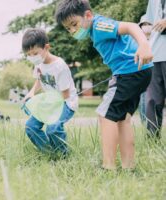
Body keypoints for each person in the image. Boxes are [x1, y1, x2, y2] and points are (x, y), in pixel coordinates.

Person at [55, 0, 153, 170]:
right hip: (139, 72)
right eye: (68, 28)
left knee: (106, 116)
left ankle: (108, 167)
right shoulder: (95, 29)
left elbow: (130, 26)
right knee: (123, 120)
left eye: (74, 24)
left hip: (129, 72)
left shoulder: (99, 25)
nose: (72, 31)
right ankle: (128, 166)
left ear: (88, 15)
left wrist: (144, 44)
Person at [22, 28, 78, 156]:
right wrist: (32, 93)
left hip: (66, 103)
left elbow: (65, 95)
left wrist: (40, 103)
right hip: (51, 101)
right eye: (28, 54)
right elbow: (39, 80)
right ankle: (49, 153)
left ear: (46, 47)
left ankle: (63, 155)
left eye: (35, 53)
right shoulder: (39, 64)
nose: (32, 57)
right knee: (31, 127)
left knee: (52, 129)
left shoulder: (60, 66)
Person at [143, 0, 166, 139]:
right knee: (152, 101)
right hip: (155, 54)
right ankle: (152, 143)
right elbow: (149, 20)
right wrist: (143, 27)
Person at [138, 15, 153, 124]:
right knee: (143, 99)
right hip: (143, 73)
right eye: (144, 25)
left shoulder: (158, 40)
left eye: (149, 24)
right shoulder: (138, 42)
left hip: (157, 72)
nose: (146, 27)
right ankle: (145, 123)